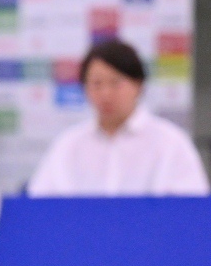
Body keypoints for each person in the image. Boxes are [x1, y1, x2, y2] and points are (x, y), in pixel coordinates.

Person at [27, 39, 209, 196]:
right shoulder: (68, 145)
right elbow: (41, 204)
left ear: (138, 85)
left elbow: (190, 208)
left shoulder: (170, 142)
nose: (105, 94)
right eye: (97, 84)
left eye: (115, 83)